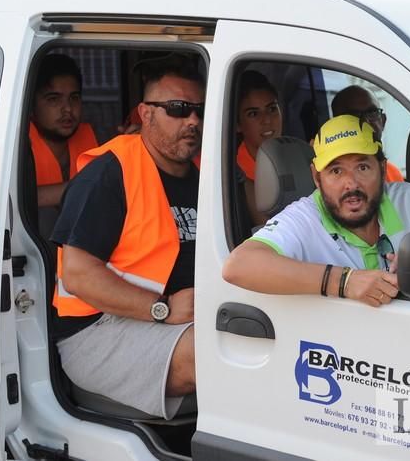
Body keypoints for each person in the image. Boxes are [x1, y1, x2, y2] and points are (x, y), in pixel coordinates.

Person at [50, 55, 204, 419]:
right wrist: (161, 308)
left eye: (200, 109)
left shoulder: (205, 173)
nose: (193, 120)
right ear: (145, 114)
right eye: (179, 109)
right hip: (99, 330)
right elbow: (78, 274)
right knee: (216, 351)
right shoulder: (109, 173)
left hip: (179, 316)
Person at [223, 115, 410, 306]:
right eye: (336, 171)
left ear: (381, 168)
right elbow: (238, 265)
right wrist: (344, 282)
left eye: (362, 167)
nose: (351, 184)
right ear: (316, 178)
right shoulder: (304, 218)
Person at [29, 54, 98, 209]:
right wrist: (86, 188)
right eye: (54, 99)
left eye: (74, 98)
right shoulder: (12, 147)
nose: (67, 108)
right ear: (30, 106)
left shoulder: (97, 140)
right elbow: (8, 200)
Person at [236, 70, 283, 227]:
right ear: (237, 125)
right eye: (253, 113)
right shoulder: (234, 173)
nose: (267, 120)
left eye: (272, 109)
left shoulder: (300, 157)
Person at [331, 85, 404, 182]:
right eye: (353, 116)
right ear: (335, 126)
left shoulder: (392, 173)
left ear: (383, 120)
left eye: (372, 112)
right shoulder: (330, 180)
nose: (365, 121)